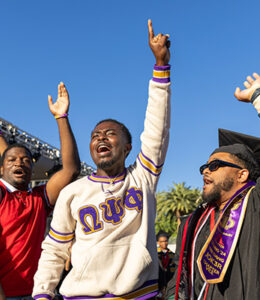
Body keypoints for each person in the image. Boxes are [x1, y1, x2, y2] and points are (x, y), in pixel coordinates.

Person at [32, 19, 171, 300]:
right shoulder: (73, 192)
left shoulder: (142, 177)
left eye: (110, 134)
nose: (101, 139)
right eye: (96, 136)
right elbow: (55, 250)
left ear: (129, 147)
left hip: (137, 294)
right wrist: (42, 294)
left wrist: (161, 68)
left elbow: (157, 128)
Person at [0, 82, 80, 299]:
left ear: (32, 168)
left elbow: (72, 170)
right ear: (1, 167)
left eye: (26, 160)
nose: (19, 163)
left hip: (31, 293)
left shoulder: (39, 198)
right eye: (12, 160)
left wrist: (61, 118)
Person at [166, 73, 260, 299]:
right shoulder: (192, 222)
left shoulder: (255, 206)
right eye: (204, 167)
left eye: (216, 165)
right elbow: (179, 278)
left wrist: (258, 98)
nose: (206, 170)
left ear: (242, 174)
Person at [157, 233, 175, 299]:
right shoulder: (155, 255)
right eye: (162, 241)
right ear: (158, 243)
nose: (164, 243)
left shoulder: (173, 255)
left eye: (166, 241)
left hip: (170, 285)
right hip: (158, 285)